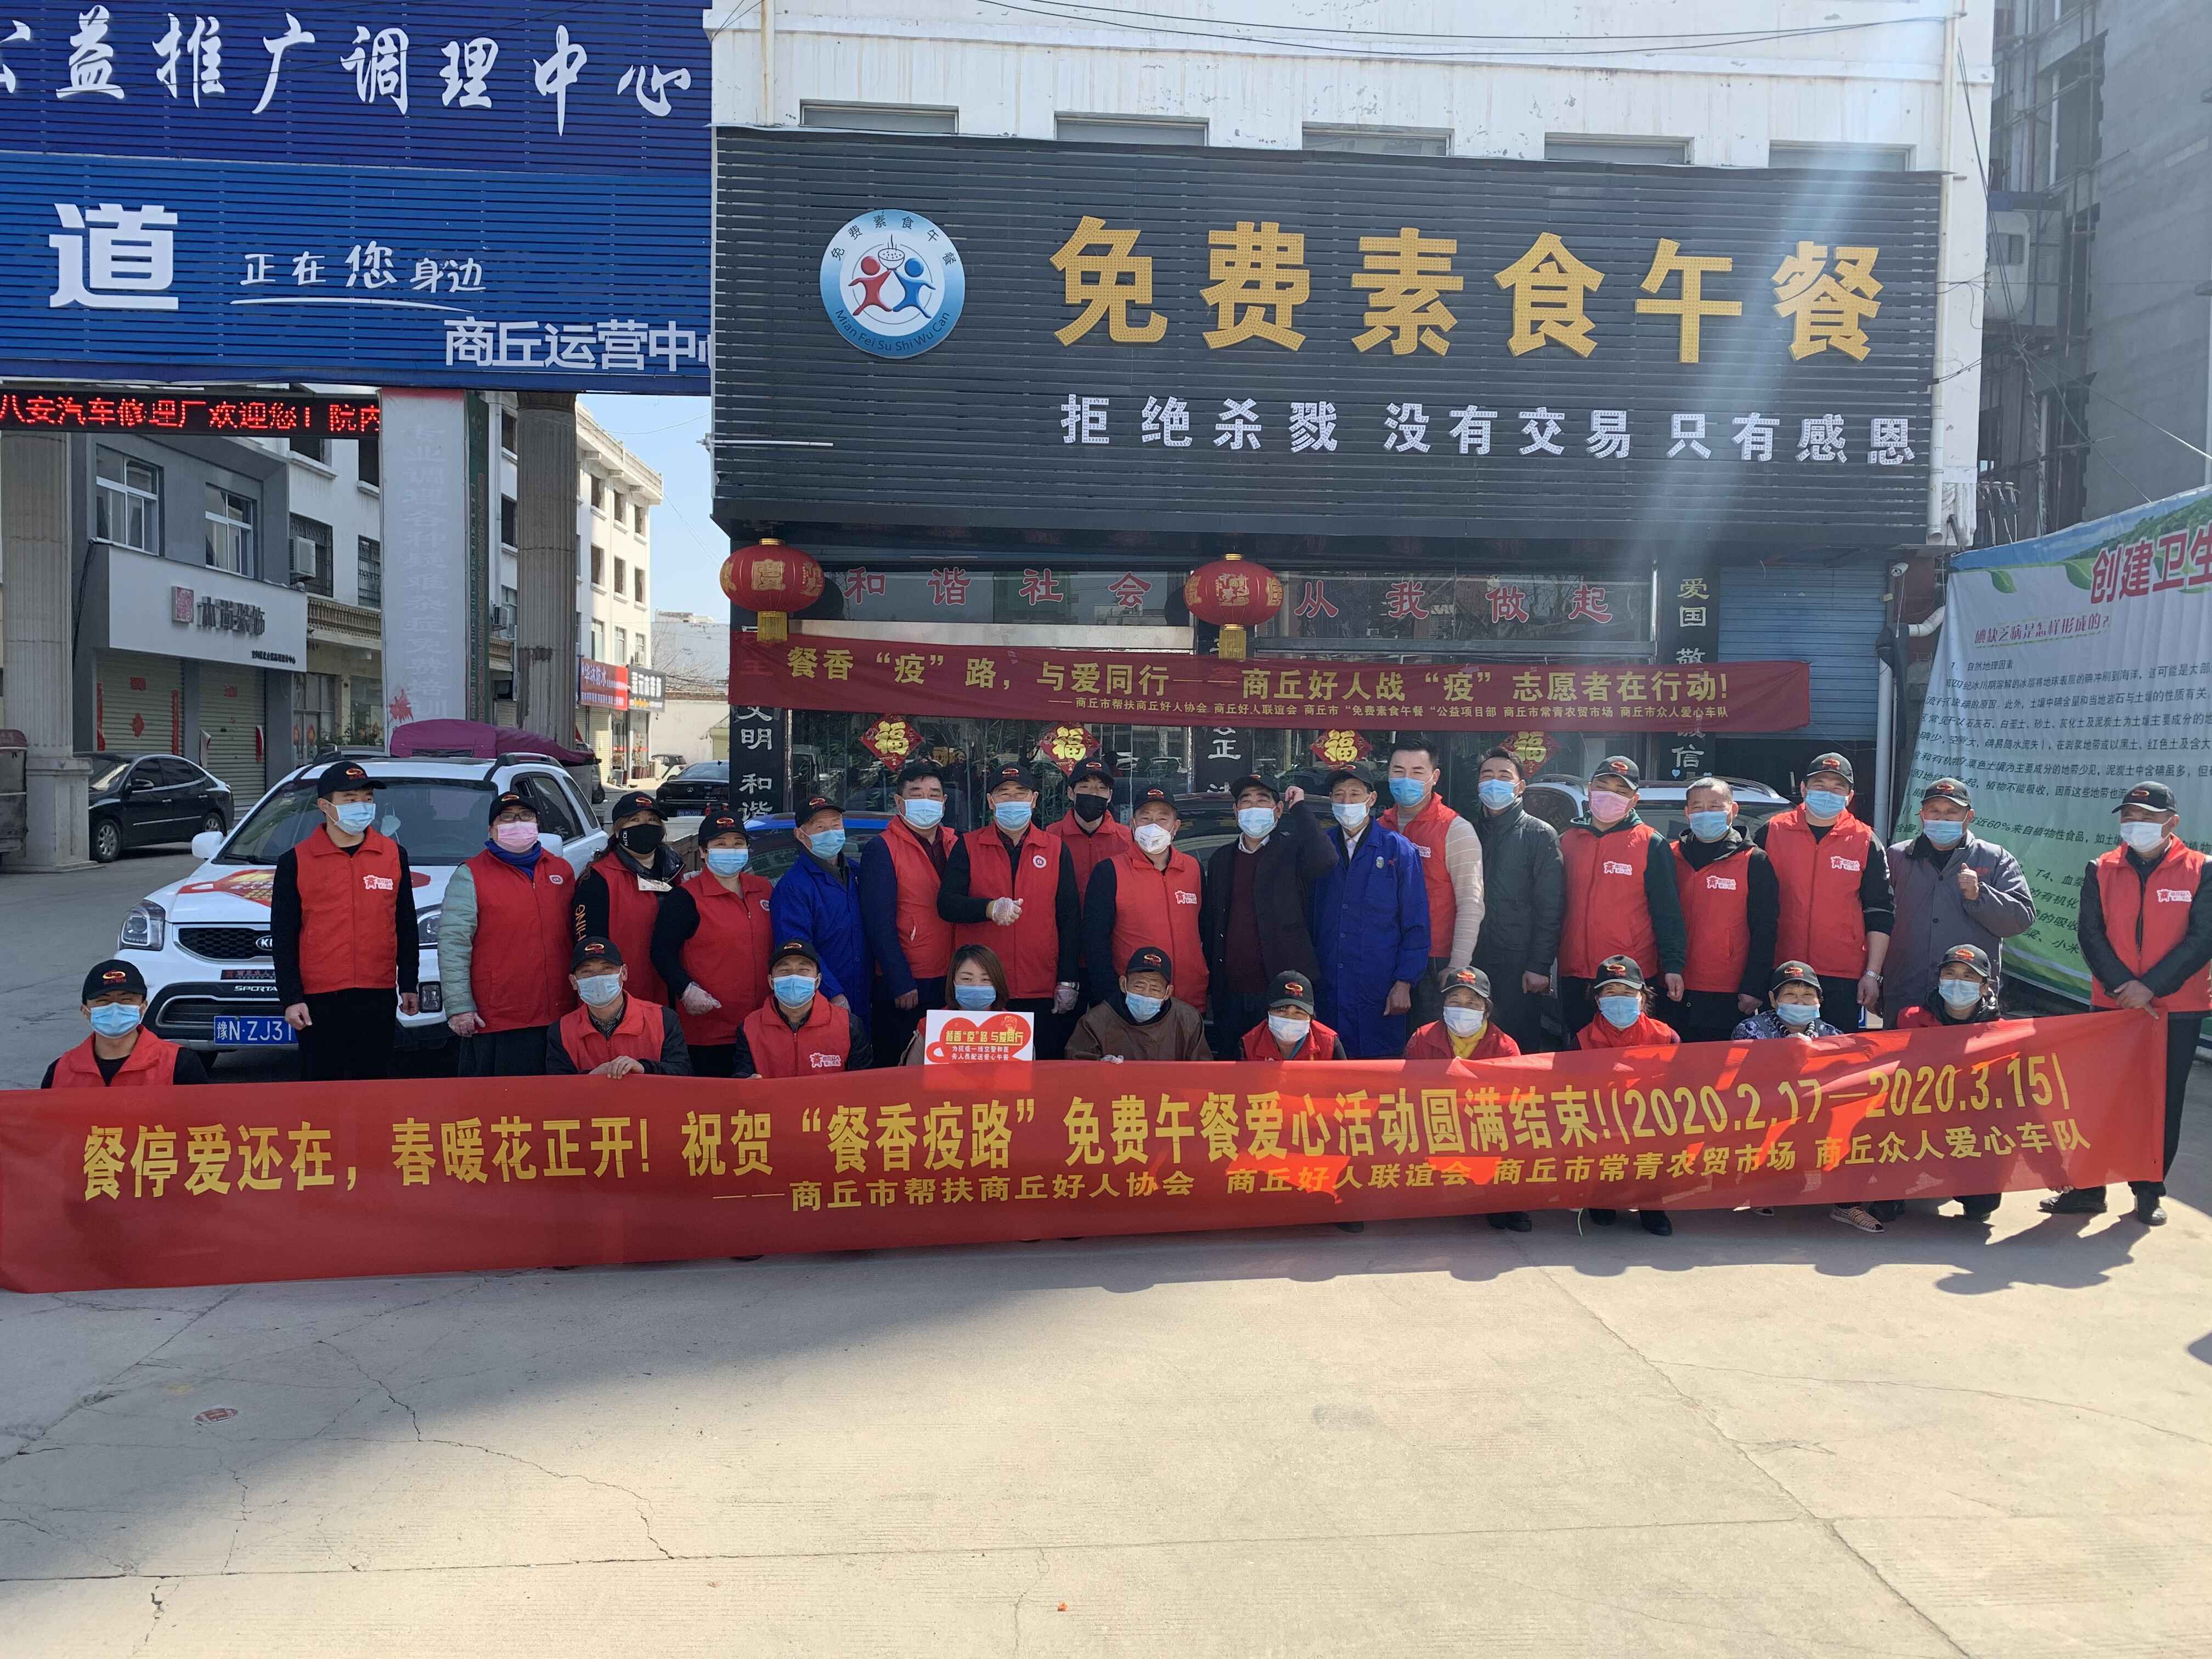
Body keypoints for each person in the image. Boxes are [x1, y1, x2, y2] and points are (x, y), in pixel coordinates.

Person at [2049, 780, 2212, 1226]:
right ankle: (2089, 1189)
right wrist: (2124, 987)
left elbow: (2203, 939)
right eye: (2129, 816)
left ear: (2172, 823)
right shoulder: (2101, 868)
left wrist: (2151, 987)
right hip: (2113, 1004)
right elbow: (2090, 934)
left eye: (2147, 817)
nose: (2136, 824)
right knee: (2102, 1098)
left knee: (2162, 1102)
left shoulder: (2201, 870)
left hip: (2176, 1007)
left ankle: (2148, 1190)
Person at [269, 758, 421, 1081]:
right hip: (319, 998)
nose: (361, 806)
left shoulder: (393, 855)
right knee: (323, 1088)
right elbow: (283, 937)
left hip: (377, 992)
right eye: (350, 799)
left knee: (373, 1084)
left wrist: (409, 983)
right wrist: (291, 998)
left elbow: (405, 925)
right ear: (325, 806)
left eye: (367, 798)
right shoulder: (295, 861)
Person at [939, 761, 1082, 1058]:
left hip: (1039, 985)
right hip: (983, 989)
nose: (1013, 800)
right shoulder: (968, 846)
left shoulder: (1055, 849)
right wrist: (989, 908)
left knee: (1040, 1072)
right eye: (1004, 793)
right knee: (982, 1075)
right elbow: (947, 904)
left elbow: (1069, 919)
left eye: (1021, 793)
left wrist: (1068, 980)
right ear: (991, 801)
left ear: (1034, 799)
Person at [1729, 961, 1876, 1233]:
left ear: (1820, 1001)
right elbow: (1740, 1086)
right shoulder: (1750, 1031)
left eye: (1808, 995)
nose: (1800, 1002)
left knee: (1862, 1126)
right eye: (1790, 995)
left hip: (1817, 1118)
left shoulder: (1833, 1036)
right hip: (1769, 1118)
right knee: (1787, 1185)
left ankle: (1848, 1206)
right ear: (1773, 999)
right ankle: (1761, 1188)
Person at [439, 789, 578, 1076]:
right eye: (508, 817)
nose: (518, 823)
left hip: (558, 1011)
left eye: (526, 816)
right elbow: (453, 944)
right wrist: (459, 1005)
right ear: (492, 829)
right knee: (503, 1098)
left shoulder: (561, 870)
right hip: (501, 1016)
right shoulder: (471, 874)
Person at [1199, 772, 1335, 1059]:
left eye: (1262, 801)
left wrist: (1301, 808)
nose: (1254, 808)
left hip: (1282, 998)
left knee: (1279, 1071)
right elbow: (1211, 923)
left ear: (1278, 810)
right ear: (1236, 811)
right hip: (1231, 993)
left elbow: (1326, 859)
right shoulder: (1222, 858)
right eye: (1246, 802)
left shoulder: (1292, 851)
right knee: (1233, 1067)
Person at [1753, 752, 1892, 1033]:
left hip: (1841, 973)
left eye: (1837, 788)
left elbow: (1880, 912)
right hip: (1782, 969)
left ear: (1849, 796)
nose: (1828, 793)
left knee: (1838, 1053)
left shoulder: (1865, 840)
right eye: (1820, 785)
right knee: (1778, 1053)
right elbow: (1751, 905)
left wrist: (1873, 974)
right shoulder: (1772, 832)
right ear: (1804, 789)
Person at [1882, 778, 2036, 1019]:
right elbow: (1877, 918)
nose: (1942, 819)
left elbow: (2020, 920)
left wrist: (1979, 895)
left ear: (1969, 817)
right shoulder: (1898, 856)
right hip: (1906, 989)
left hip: (1967, 999)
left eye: (1952, 812)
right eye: (1934, 811)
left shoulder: (1995, 858)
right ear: (1922, 815)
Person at [1558, 757, 1686, 1040]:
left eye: (1621, 791)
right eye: (1603, 787)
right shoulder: (1568, 840)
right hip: (1575, 971)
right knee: (1579, 1052)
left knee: (1632, 1054)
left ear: (1634, 799)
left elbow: (1667, 912)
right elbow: (1552, 906)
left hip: (1629, 977)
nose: (1610, 795)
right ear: (1590, 789)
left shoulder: (1650, 843)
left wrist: (1673, 965)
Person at [1310, 765, 1430, 1059]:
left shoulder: (1398, 850)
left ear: (1371, 799)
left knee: (1379, 1071)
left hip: (1379, 987)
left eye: (1355, 794)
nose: (1347, 802)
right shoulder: (1320, 847)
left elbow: (1416, 923)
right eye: (1339, 795)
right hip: (1330, 984)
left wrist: (1405, 982)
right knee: (1329, 1068)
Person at [1403, 967, 1529, 1234]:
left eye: (1472, 1003)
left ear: (1486, 1010)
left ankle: (1507, 1201)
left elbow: (1515, 1103)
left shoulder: (1505, 1047)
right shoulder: (1422, 1039)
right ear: (1443, 1006)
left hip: (1487, 1126)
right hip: (1438, 1122)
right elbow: (1408, 1093)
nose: (1463, 1008)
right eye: (1455, 1001)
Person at [651, 808, 774, 1078]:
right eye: (721, 844)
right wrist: (686, 989)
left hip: (762, 1025)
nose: (731, 850)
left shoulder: (763, 889)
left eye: (738, 843)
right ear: (704, 852)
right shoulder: (685, 898)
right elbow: (661, 952)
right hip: (710, 1030)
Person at [1380, 737, 1486, 1032]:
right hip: (1384, 955)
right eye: (1398, 771)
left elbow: (1471, 903)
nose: (1406, 779)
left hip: (1435, 961)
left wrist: (1457, 965)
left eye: (1417, 772)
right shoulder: (1378, 827)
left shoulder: (1456, 829)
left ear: (1434, 776)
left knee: (1429, 1045)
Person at [1893, 943, 2004, 1223]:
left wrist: (2052, 1170)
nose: (1958, 982)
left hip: (1970, 1132)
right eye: (1951, 974)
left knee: (1983, 1204)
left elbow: (2026, 1103)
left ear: (1984, 987)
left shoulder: (2002, 1035)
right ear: (1940, 979)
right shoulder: (1910, 1020)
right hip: (1916, 1124)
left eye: (1969, 976)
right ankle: (1892, 1190)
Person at [859, 759, 958, 1070]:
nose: (926, 801)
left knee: (945, 1071)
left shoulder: (956, 843)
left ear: (944, 801)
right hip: (908, 982)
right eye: (916, 794)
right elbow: (878, 923)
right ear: (899, 802)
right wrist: (899, 980)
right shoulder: (882, 848)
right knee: (901, 1069)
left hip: (951, 976)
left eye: (934, 794)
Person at [1670, 776, 1779, 1045]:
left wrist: (1754, 986)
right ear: (1687, 813)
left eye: (1715, 806)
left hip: (1728, 990)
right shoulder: (1670, 855)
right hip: (1672, 985)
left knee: (1721, 1066)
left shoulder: (1754, 860)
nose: (1705, 813)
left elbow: (1765, 928)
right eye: (1697, 807)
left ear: (1733, 810)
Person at [1469, 747, 1564, 1054]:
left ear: (1520, 786)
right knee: (1472, 1041)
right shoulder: (1466, 831)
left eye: (1504, 776)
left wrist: (1539, 965)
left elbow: (1551, 907)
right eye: (1487, 776)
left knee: (1517, 1048)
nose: (1494, 782)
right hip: (1472, 958)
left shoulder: (1540, 834)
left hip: (1518, 964)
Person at [1575, 955, 1677, 1237]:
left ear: (1643, 998)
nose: (1619, 999)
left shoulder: (1666, 1037)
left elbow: (1684, 1087)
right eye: (1610, 992)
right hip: (1603, 1124)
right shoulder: (1582, 1040)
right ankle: (1602, 1198)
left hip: (1652, 1124)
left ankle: (1652, 1205)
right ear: (1598, 1000)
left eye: (1628, 992)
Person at [1083, 785, 1207, 1017]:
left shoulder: (1193, 870)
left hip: (1190, 999)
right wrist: (1110, 998)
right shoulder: (1110, 872)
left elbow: (1205, 931)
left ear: (1176, 827)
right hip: (1135, 1002)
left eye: (1163, 819)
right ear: (1133, 824)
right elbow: (1095, 942)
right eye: (1145, 818)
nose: (1153, 826)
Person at [770, 795, 869, 1036]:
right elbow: (797, 948)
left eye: (836, 825)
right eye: (820, 828)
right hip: (823, 1000)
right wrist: (833, 992)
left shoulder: (858, 873)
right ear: (800, 835)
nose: (830, 833)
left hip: (866, 995)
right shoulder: (793, 887)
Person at [574, 790, 682, 1009]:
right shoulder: (597, 878)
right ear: (618, 830)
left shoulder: (674, 870)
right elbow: (589, 948)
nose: (645, 826)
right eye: (635, 820)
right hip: (623, 995)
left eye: (652, 820)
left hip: (672, 990)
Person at [43, 960, 210, 1087]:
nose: (115, 1008)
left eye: (126, 1000)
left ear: (143, 1007)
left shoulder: (179, 1064)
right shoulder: (60, 1072)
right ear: (85, 1010)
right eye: (103, 1001)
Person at [545, 936, 691, 1076]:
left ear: (624, 973)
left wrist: (643, 1068)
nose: (598, 977)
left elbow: (683, 1072)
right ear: (574, 982)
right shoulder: (561, 1031)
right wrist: (591, 1077)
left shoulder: (663, 1019)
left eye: (607, 968)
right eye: (586, 971)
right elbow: (557, 1086)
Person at [733, 939, 874, 1077]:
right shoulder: (749, 1028)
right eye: (785, 970)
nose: (794, 976)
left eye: (803, 970)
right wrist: (746, 1084)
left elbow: (863, 1083)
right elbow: (741, 1079)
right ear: (771, 981)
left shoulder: (848, 1025)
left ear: (818, 981)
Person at [1065, 944, 1213, 1062]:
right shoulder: (1095, 1022)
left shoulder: (1188, 1020)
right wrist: (1100, 1066)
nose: (1146, 994)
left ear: (1168, 992)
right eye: (1139, 986)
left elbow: (1202, 1072)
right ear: (1123, 984)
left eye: (1155, 989)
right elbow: (1077, 1067)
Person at [901, 943, 1010, 1065]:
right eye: (966, 979)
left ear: (997, 983)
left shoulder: (1015, 1027)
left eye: (986, 980)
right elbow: (912, 1073)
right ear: (953, 982)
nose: (976, 986)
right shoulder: (931, 1026)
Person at [1044, 755, 1133, 899]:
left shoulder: (1127, 838)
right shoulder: (1051, 836)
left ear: (1110, 796)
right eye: (1085, 787)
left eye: (1101, 788)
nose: (1093, 793)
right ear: (1071, 793)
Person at [1241, 970, 1340, 1059]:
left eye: (1299, 1012)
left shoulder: (1330, 1045)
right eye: (1281, 1010)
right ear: (1268, 1013)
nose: (1290, 1018)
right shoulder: (1248, 1046)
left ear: (1310, 1018)